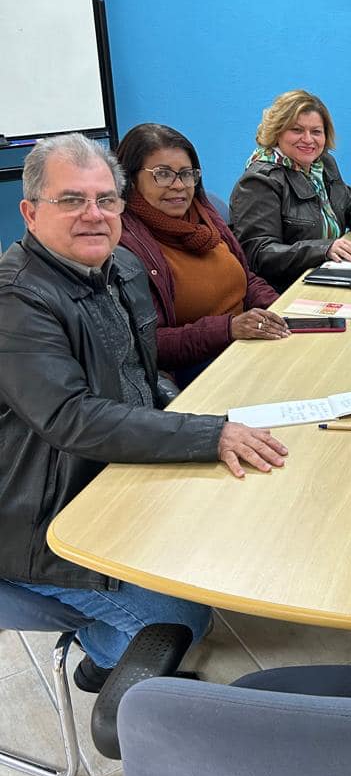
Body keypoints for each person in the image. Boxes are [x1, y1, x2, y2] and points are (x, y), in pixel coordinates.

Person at [0, 134, 288, 692]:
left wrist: (212, 416)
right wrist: (205, 435)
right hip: (38, 516)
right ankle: (102, 655)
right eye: (72, 200)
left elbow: (141, 375)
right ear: (30, 212)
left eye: (106, 200)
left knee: (236, 531)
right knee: (180, 620)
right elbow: (72, 419)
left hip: (113, 479)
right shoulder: (16, 299)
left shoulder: (123, 269)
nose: (94, 215)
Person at [116, 123, 287, 385]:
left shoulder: (204, 215)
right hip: (196, 366)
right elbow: (150, 342)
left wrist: (280, 309)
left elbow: (245, 278)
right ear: (130, 179)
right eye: (163, 174)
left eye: (186, 174)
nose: (179, 185)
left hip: (243, 342)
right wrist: (229, 329)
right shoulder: (126, 247)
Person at [230, 89, 351, 291]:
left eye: (316, 131)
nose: (308, 140)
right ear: (277, 132)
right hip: (289, 289)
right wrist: (323, 249)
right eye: (297, 130)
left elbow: (348, 200)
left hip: (330, 273)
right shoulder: (259, 181)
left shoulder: (321, 163)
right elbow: (258, 253)